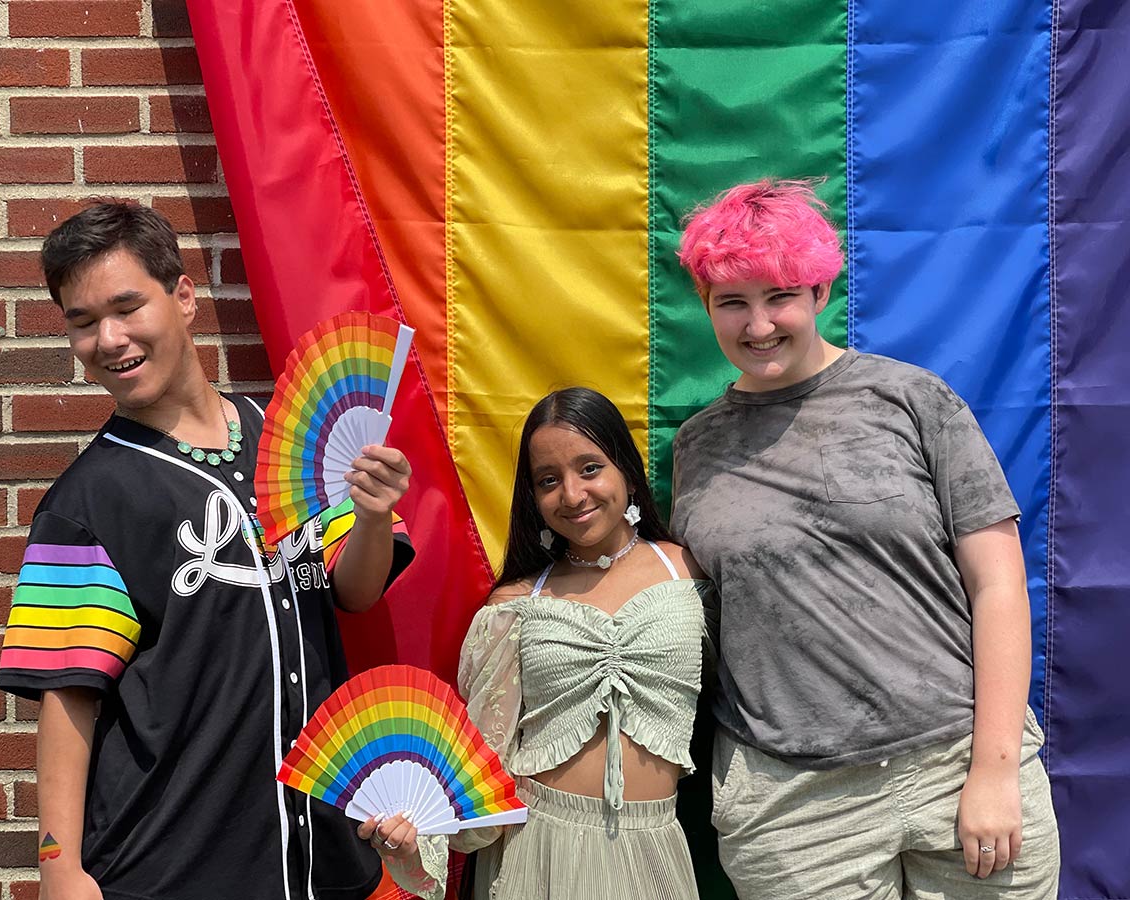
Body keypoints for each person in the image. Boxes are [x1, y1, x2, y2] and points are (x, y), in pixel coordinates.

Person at [0, 203, 415, 900]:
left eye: (128, 306)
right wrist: (59, 867)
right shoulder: (86, 503)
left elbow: (354, 592)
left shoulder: (293, 436)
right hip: (171, 865)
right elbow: (67, 698)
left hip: (319, 861)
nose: (109, 338)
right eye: (82, 321)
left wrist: (372, 515)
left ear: (183, 298)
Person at [670, 179, 1060, 899]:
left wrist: (995, 771)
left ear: (820, 293)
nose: (758, 325)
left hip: (958, 768)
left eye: (779, 296)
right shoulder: (696, 447)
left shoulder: (914, 400)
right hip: (792, 811)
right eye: (733, 302)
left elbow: (998, 584)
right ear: (707, 308)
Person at [361, 387, 711, 899]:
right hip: (538, 855)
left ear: (627, 472)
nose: (572, 495)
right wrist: (416, 845)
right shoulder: (514, 604)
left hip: (656, 854)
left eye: (590, 468)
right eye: (549, 481)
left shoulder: (691, 572)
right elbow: (484, 769)